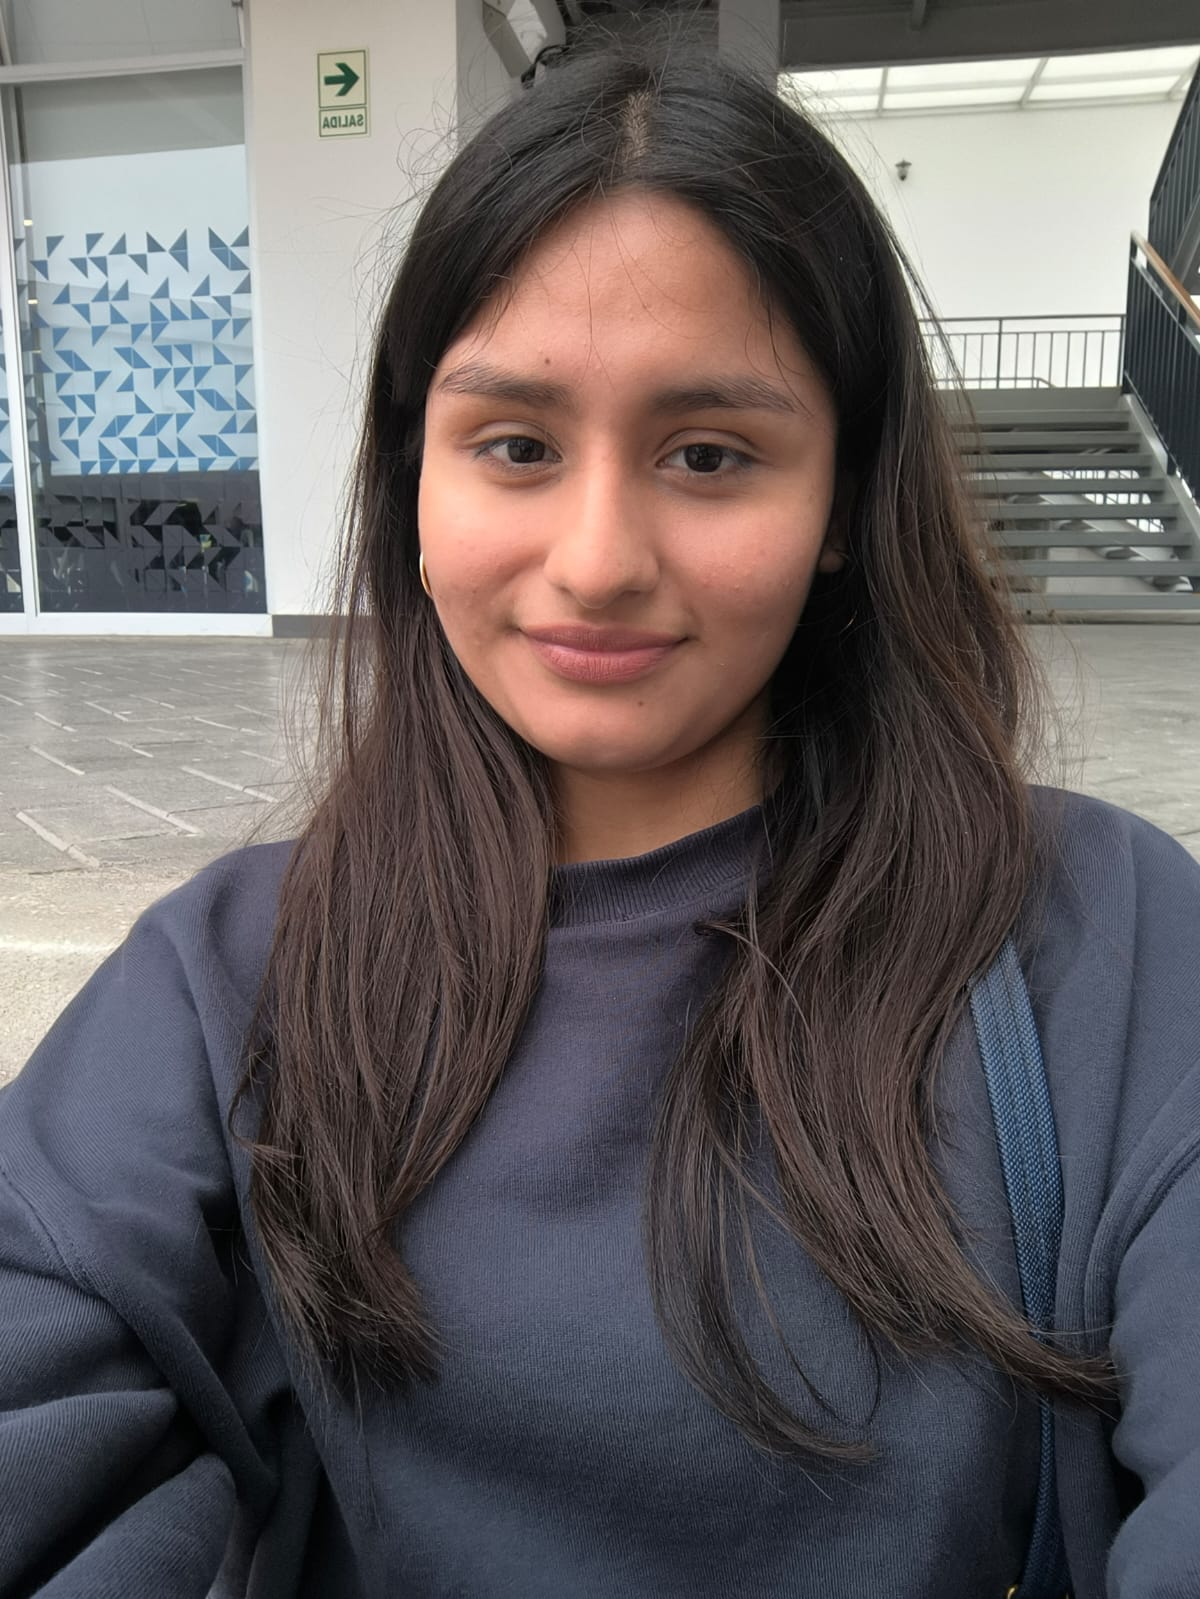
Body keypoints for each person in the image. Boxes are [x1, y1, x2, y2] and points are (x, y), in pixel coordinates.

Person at [1, 32, 1198, 1599]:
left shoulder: (1095, 941)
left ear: (842, 502)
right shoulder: (230, 978)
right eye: (515, 446)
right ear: (413, 480)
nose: (595, 560)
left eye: (709, 454)